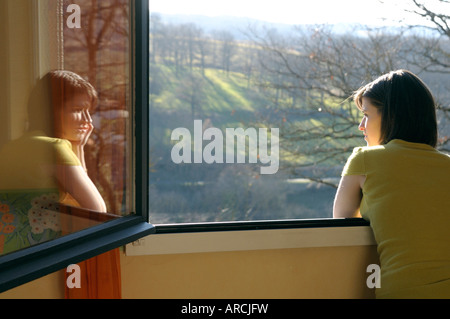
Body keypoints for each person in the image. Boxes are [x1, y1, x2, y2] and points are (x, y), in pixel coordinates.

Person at [333, 69, 450, 298]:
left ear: (391, 116)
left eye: (367, 114)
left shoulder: (364, 160)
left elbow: (341, 223)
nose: (361, 125)